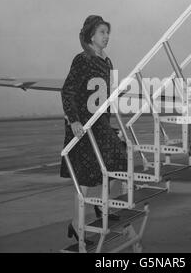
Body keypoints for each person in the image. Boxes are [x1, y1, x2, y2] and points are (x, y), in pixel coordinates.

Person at [60, 15, 127, 243]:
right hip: (84, 127)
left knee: (119, 160)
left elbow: (103, 94)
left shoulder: (106, 62)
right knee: (86, 180)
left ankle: (101, 205)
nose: (106, 37)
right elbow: (67, 91)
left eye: (108, 33)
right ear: (91, 36)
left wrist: (118, 93)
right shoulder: (82, 60)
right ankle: (76, 225)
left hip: (101, 124)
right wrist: (74, 121)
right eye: (102, 32)